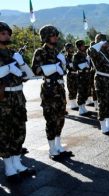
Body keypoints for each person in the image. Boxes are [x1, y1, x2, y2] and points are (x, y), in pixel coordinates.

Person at [0, 21, 36, 183]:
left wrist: (20, 63)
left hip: (18, 97)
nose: (7, 36)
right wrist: (9, 68)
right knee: (5, 132)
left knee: (19, 130)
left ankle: (17, 163)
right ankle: (9, 167)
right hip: (4, 99)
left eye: (8, 33)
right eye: (3, 33)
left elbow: (29, 75)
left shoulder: (14, 53)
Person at [32, 25, 74, 160]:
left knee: (60, 119)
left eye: (56, 35)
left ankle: (58, 146)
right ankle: (52, 150)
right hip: (49, 89)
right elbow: (35, 70)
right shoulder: (40, 52)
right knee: (51, 120)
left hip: (60, 89)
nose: (56, 37)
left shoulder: (58, 52)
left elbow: (64, 71)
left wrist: (62, 65)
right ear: (45, 37)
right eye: (53, 35)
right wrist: (51, 67)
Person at [88, 34, 109, 135]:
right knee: (103, 103)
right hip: (101, 79)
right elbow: (90, 50)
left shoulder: (107, 53)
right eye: (104, 42)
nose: (106, 44)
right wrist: (99, 43)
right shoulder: (96, 52)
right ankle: (103, 127)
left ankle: (108, 124)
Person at [73, 39, 91, 116]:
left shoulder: (84, 54)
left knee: (86, 91)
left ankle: (84, 107)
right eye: (83, 45)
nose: (84, 47)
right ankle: (81, 108)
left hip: (86, 75)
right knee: (81, 92)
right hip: (80, 76)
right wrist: (82, 66)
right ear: (79, 47)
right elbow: (74, 66)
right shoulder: (76, 56)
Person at [64, 43, 78, 110]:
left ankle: (75, 102)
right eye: (70, 48)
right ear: (67, 49)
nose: (72, 49)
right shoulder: (66, 57)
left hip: (76, 74)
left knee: (76, 88)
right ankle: (72, 104)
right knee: (71, 89)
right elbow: (69, 66)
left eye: (72, 47)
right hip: (71, 74)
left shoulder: (75, 56)